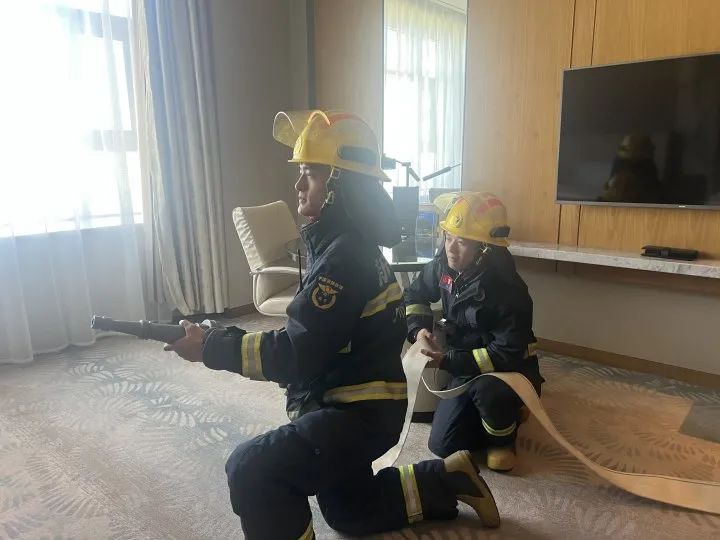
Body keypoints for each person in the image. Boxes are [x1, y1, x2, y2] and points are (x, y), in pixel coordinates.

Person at [165, 111, 500, 539]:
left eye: (310, 173)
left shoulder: (343, 259)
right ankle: (449, 478)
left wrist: (211, 345)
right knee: (351, 512)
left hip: (358, 414)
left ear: (339, 184)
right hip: (361, 405)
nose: (298, 185)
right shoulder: (345, 245)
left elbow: (295, 353)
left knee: (253, 471)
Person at [404, 192, 543, 472]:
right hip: (465, 363)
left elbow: (505, 354)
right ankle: (494, 413)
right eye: (448, 238)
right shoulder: (443, 266)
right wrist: (419, 330)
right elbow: (415, 295)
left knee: (488, 391)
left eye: (463, 242)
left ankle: (504, 438)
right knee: (444, 444)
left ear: (485, 248)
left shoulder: (508, 289)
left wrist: (447, 361)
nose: (451, 249)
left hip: (508, 369)